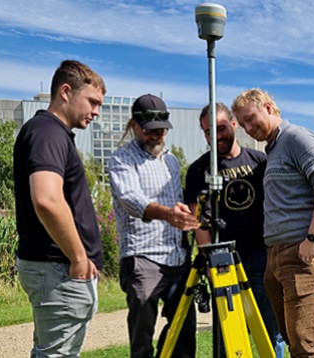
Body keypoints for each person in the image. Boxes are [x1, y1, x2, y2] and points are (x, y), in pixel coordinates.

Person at [232, 88, 314, 357]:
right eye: (242, 124)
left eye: (250, 118)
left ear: (268, 107)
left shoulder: (296, 138)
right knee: (292, 342)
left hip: (304, 253)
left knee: (305, 343)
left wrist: (313, 238)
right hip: (276, 255)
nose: (247, 128)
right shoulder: (273, 150)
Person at [13, 59, 106, 357]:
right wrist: (79, 257)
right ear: (65, 91)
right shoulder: (47, 131)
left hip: (57, 269)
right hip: (59, 268)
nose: (96, 112)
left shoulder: (51, 133)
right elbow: (47, 199)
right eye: (92, 102)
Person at [184, 102, 285, 357]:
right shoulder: (199, 170)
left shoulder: (260, 161)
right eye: (208, 132)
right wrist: (208, 260)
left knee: (271, 332)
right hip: (223, 264)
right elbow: (198, 219)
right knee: (226, 340)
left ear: (233, 124)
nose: (215, 136)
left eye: (220, 128)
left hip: (261, 259)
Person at [108, 94, 200, 358]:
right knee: (142, 338)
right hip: (142, 259)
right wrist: (167, 214)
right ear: (135, 127)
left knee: (184, 331)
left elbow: (178, 203)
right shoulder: (122, 160)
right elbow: (130, 200)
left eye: (162, 130)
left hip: (177, 259)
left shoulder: (171, 160)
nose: (158, 135)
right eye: (151, 131)